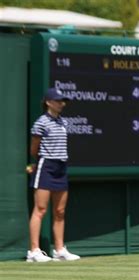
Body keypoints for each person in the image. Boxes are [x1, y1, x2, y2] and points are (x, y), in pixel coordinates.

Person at [26, 88, 80, 262]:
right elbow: (34, 148)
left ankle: (59, 250)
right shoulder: (41, 122)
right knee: (40, 209)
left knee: (60, 211)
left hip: (61, 167)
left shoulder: (62, 122)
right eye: (58, 101)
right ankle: (33, 251)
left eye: (62, 101)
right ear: (48, 102)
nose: (61, 104)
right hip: (46, 166)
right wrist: (38, 161)